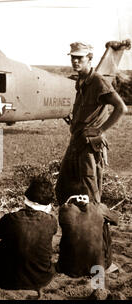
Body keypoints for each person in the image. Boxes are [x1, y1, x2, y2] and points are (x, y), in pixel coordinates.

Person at [55, 41, 127, 206]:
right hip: (76, 140)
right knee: (63, 188)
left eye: (80, 58)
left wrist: (100, 130)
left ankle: (98, 228)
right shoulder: (81, 81)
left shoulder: (98, 81)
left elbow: (121, 108)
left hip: (89, 144)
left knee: (90, 193)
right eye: (73, 57)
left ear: (90, 59)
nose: (75, 61)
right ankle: (74, 226)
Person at [0, 176, 57, 294]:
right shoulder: (51, 221)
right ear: (49, 204)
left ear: (26, 198)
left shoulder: (10, 219)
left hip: (7, 280)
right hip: (41, 279)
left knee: (1, 243)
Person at [57, 183, 119, 278]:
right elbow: (116, 219)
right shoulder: (99, 208)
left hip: (69, 268)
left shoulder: (64, 210)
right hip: (97, 267)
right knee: (104, 223)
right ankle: (101, 273)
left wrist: (69, 201)